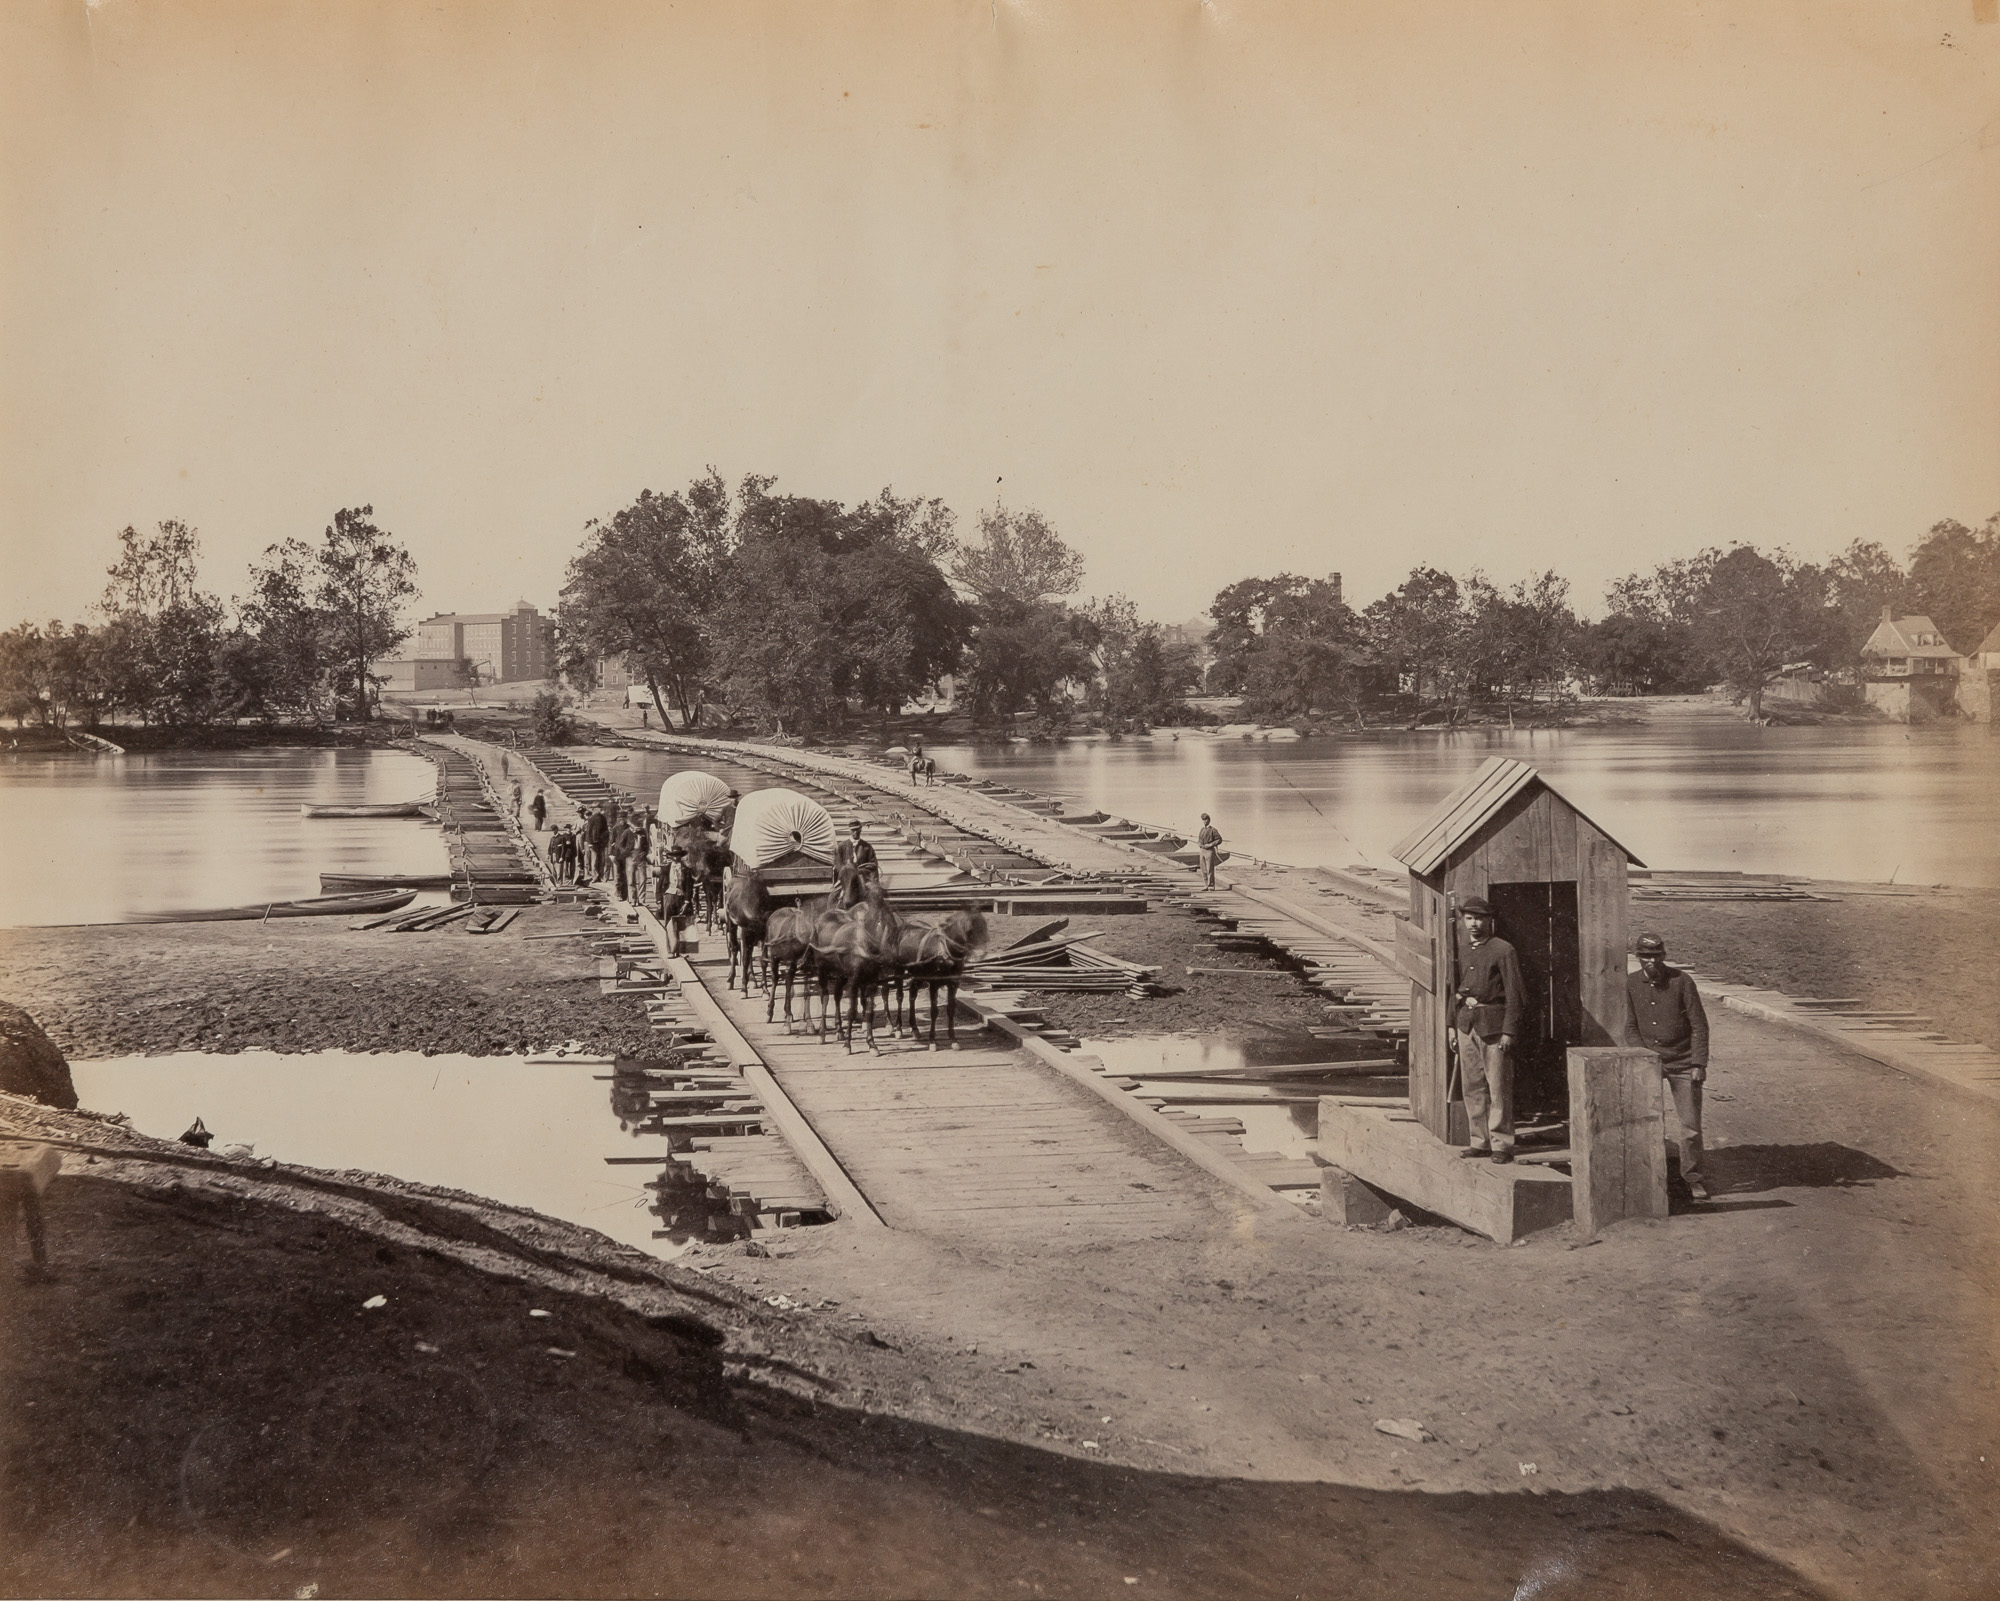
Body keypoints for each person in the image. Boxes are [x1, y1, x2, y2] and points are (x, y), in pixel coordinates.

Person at [1625, 933, 1712, 1201]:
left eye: (1656, 956)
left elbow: (1699, 1025)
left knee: (1690, 1126)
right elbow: (1630, 1027)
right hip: (1651, 1061)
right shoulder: (1631, 983)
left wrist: (1698, 1062)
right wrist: (1644, 1056)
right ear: (1637, 957)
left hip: (1683, 1061)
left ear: (1663, 956)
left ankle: (1693, 1178)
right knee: (1645, 1121)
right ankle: (1648, 1175)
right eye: (1645, 956)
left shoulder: (1682, 982)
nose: (1651, 961)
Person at [1452, 895, 1523, 1164]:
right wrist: (1451, 1025)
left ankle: (1501, 1144)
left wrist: (1509, 1031)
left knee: (1498, 1087)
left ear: (1490, 920)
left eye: (1479, 918)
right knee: (1472, 1086)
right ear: (1463, 921)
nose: (1474, 923)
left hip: (1494, 1027)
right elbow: (1453, 990)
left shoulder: (1503, 950)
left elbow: (1516, 995)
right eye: (1469, 918)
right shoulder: (1462, 949)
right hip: (1466, 1024)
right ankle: (1479, 1141)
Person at [657, 845, 690, 955]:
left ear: (681, 857)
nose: (676, 858)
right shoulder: (666, 869)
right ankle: (671, 950)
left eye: (678, 856)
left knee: (684, 924)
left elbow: (689, 888)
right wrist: (659, 901)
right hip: (669, 896)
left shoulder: (686, 870)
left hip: (681, 897)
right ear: (671, 857)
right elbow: (660, 885)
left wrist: (686, 901)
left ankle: (682, 951)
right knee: (669, 923)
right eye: (674, 856)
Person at [1195, 813, 1223, 889]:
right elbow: (1199, 839)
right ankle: (1205, 885)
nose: (1204, 821)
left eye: (1206, 819)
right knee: (1203, 868)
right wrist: (1199, 843)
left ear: (1209, 820)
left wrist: (1210, 845)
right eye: (1203, 820)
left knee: (1209, 869)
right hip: (1202, 851)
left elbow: (1219, 840)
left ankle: (1211, 886)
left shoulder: (1213, 830)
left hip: (1209, 851)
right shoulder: (1202, 829)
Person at [584, 804, 611, 884]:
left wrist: (605, 841)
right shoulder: (591, 819)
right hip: (593, 842)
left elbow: (605, 831)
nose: (599, 810)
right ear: (595, 809)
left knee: (601, 860)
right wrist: (589, 842)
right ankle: (595, 876)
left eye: (600, 808)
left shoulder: (603, 818)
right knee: (594, 860)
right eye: (598, 808)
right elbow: (588, 832)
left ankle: (601, 876)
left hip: (601, 842)